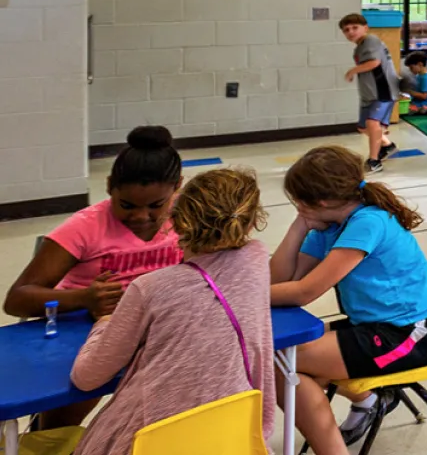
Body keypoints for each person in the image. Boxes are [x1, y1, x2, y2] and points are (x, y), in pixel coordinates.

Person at [69, 167, 276, 455]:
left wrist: (104, 323)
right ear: (251, 223)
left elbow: (87, 377)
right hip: (228, 437)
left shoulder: (149, 288)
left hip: (143, 441)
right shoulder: (255, 260)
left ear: (177, 222)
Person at [5, 126, 186, 430]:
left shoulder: (185, 217)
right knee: (75, 401)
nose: (141, 217)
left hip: (158, 327)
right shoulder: (85, 227)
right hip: (87, 329)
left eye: (156, 205)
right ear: (109, 187)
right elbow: (17, 299)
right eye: (127, 205)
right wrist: (82, 299)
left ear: (177, 187)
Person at [271, 146, 427, 455]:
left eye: (298, 202)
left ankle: (352, 423)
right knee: (282, 362)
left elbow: (304, 292)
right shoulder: (332, 225)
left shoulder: (367, 223)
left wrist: (240, 295)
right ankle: (369, 402)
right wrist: (298, 226)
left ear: (322, 201)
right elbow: (282, 281)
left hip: (409, 334)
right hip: (374, 326)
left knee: (282, 364)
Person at [339, 13, 401, 172]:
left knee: (372, 123)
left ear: (365, 28)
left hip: (382, 91)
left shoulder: (371, 41)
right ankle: (387, 145)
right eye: (346, 30)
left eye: (354, 27)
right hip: (369, 93)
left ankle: (374, 161)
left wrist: (352, 71)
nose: (351, 32)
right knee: (363, 127)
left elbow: (374, 62)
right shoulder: (359, 48)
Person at [402, 51, 427, 116]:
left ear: (420, 64)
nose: (410, 70)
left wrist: (409, 91)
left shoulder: (426, 78)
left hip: (424, 103)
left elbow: (424, 96)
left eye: (411, 68)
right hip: (416, 102)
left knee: (407, 111)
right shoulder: (418, 75)